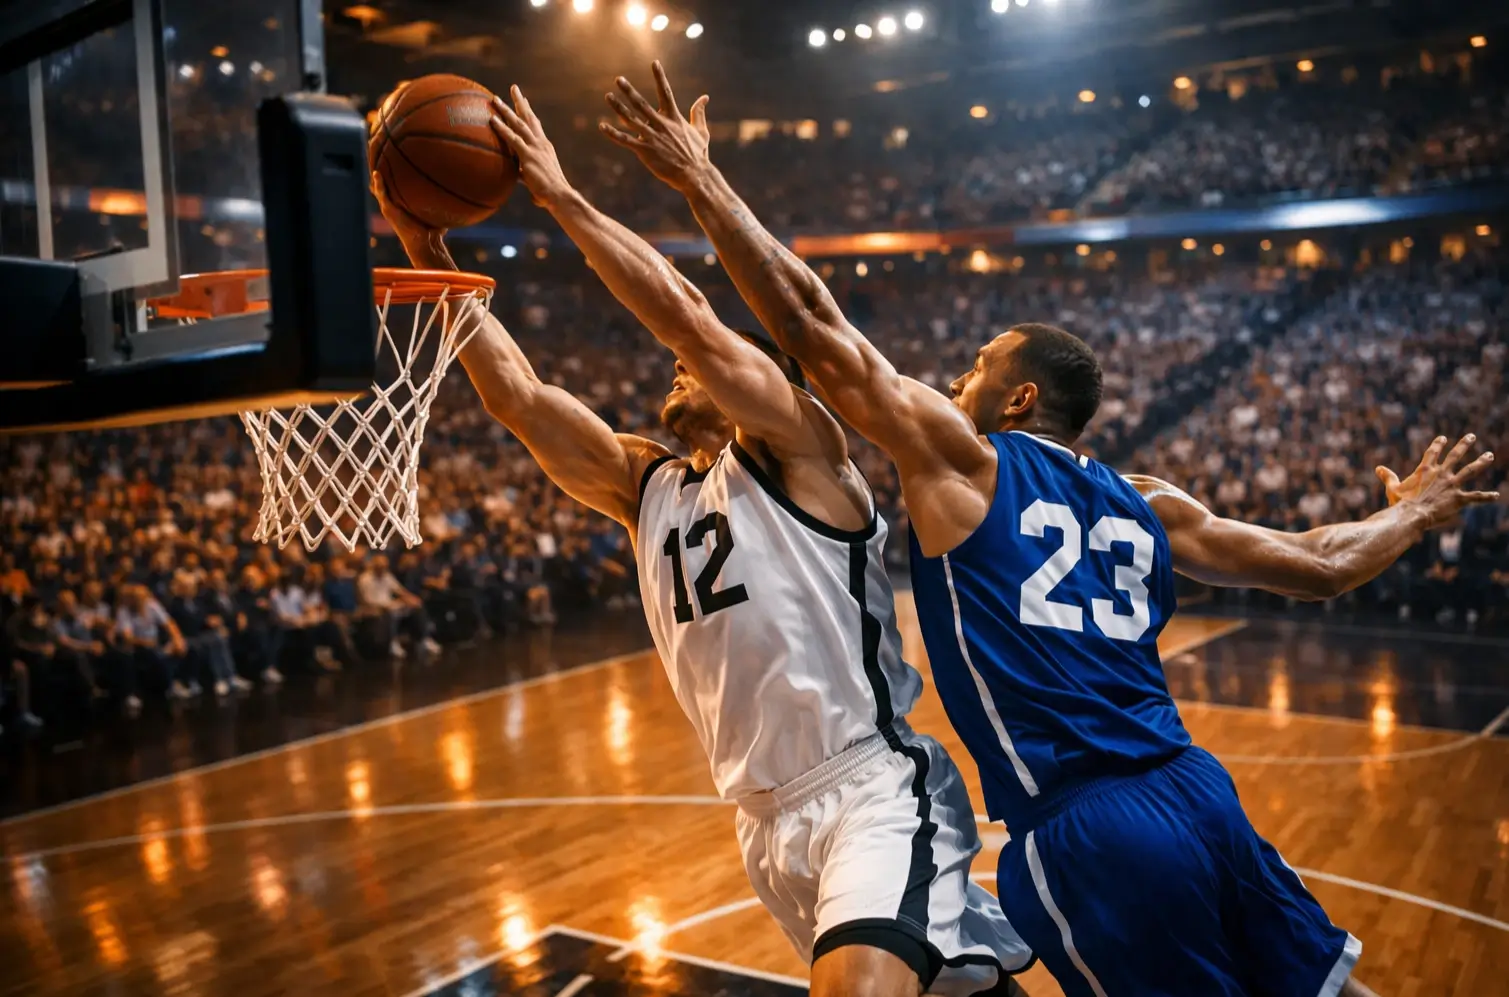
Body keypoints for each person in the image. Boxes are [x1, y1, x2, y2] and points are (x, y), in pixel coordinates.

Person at [604, 62, 1504, 997]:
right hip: (1199, 792)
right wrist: (1411, 511)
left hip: (1091, 827)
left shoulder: (966, 462)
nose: (956, 377)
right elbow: (1319, 562)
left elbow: (808, 322)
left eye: (977, 366)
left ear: (1018, 397)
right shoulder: (1149, 498)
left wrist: (701, 180)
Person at [369, 85, 1034, 997]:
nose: (676, 366)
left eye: (701, 364)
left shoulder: (805, 452)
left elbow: (687, 314)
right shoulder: (646, 486)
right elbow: (519, 400)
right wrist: (431, 266)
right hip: (762, 820)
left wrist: (560, 195)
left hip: (872, 788)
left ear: (766, 382)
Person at [114, 583, 196, 701]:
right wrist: (147, 643)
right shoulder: (124, 611)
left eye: (143, 597)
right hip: (138, 646)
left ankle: (186, 681)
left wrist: (177, 639)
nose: (141, 601)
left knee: (188, 646)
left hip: (156, 643)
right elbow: (128, 638)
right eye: (137, 598)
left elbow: (169, 624)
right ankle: (170, 686)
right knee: (155, 654)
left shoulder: (152, 605)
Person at [357, 555, 440, 660]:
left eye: (384, 566)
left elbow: (399, 590)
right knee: (390, 614)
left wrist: (411, 599)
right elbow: (367, 600)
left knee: (416, 608)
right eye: (380, 566)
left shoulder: (387, 576)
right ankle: (392, 641)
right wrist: (389, 605)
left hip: (391, 604)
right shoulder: (365, 579)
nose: (383, 569)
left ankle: (424, 638)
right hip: (376, 607)